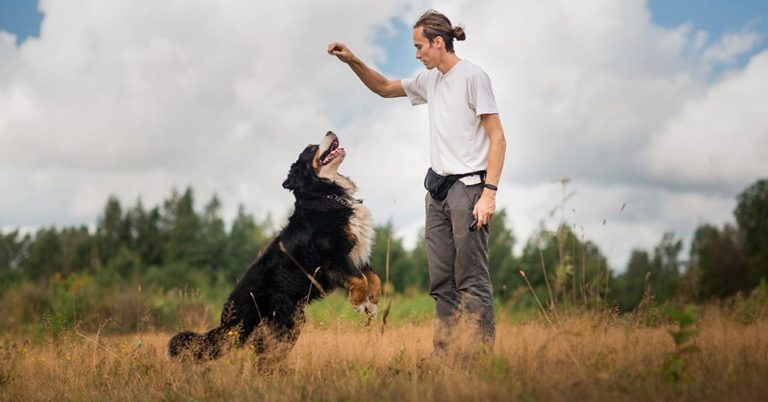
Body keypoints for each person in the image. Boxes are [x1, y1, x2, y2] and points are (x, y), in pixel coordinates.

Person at [328, 10, 506, 352]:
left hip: (469, 191)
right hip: (437, 193)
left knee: (472, 281)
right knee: (441, 283)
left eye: (419, 46)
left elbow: (498, 139)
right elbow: (383, 87)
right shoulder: (431, 80)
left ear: (439, 42)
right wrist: (352, 60)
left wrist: (489, 194)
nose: (416, 54)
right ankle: (445, 360)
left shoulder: (473, 77)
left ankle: (479, 362)